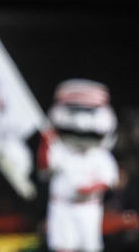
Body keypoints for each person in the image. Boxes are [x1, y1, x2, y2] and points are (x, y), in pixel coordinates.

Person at [38, 79, 119, 252]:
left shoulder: (100, 154)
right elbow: (44, 168)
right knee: (63, 248)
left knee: (89, 247)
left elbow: (110, 179)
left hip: (88, 208)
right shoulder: (59, 149)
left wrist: (91, 188)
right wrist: (44, 144)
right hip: (62, 207)